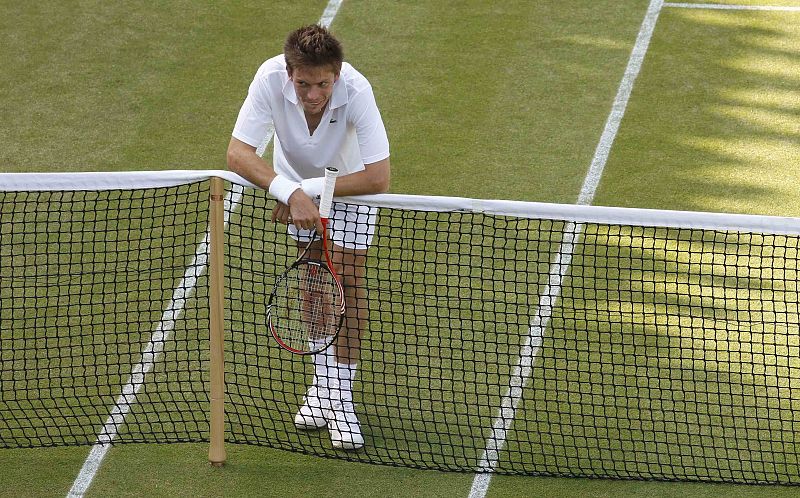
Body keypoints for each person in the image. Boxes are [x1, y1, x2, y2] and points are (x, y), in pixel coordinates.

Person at [227, 24, 390, 450]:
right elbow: (238, 153)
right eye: (303, 84)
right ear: (288, 73)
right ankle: (323, 390)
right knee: (315, 282)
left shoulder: (357, 90)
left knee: (348, 284)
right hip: (297, 185)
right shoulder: (267, 79)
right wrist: (287, 189)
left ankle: (342, 400)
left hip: (352, 190)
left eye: (322, 84)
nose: (313, 94)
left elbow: (378, 177)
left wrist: (306, 193)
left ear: (336, 75)